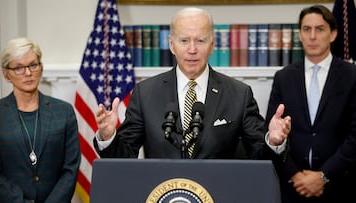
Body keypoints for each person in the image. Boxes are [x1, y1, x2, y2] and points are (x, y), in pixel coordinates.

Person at [94, 7, 290, 160]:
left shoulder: (239, 94)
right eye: (184, 40)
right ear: (172, 45)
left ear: (212, 45)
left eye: (201, 40)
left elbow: (260, 157)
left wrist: (273, 142)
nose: (192, 49)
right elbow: (123, 158)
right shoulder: (145, 93)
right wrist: (108, 137)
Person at [265, 5, 356, 203]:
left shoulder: (351, 76)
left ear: (333, 35)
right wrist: (296, 175)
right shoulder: (283, 77)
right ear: (300, 35)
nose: (312, 36)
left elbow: (354, 136)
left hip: (339, 185)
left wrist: (323, 176)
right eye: (307, 29)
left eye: (320, 29)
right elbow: (272, 132)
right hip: (292, 188)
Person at [0, 37, 81, 203]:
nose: (28, 73)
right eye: (19, 68)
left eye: (33, 65)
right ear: (6, 74)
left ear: (41, 68)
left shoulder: (64, 112)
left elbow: (70, 169)